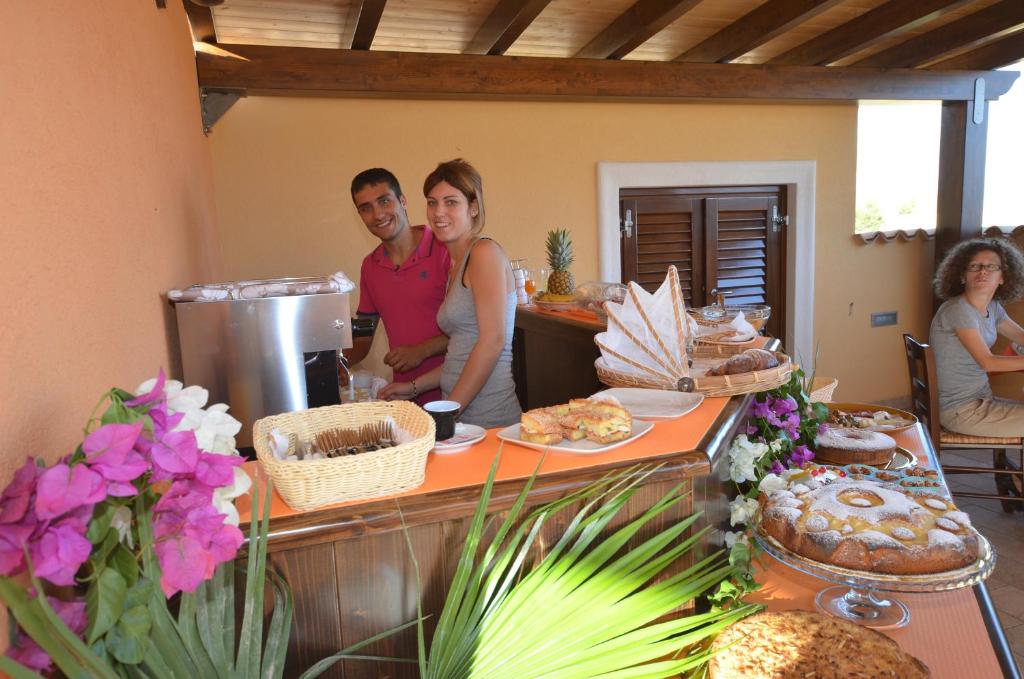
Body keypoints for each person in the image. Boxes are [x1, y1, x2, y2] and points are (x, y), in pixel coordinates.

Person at [379, 159, 521, 428]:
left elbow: (493, 341)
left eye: (451, 202)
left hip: (490, 420)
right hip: (465, 419)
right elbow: (461, 354)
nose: (438, 212)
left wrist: (448, 412)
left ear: (474, 207)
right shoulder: (456, 265)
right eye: (432, 202)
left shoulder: (484, 253)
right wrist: (413, 387)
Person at [350, 168, 451, 405]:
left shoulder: (445, 250)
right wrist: (334, 365)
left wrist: (422, 350)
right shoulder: (370, 265)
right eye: (366, 208)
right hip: (406, 401)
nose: (377, 214)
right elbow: (363, 335)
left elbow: (471, 330)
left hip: (455, 396)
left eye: (384, 201)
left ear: (402, 200)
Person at [930, 237, 1024, 436]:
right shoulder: (959, 310)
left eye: (991, 267)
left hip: (982, 400)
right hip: (962, 412)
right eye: (974, 266)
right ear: (963, 276)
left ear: (1003, 277)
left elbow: (1021, 337)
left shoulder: (993, 307)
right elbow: (988, 363)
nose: (983, 271)